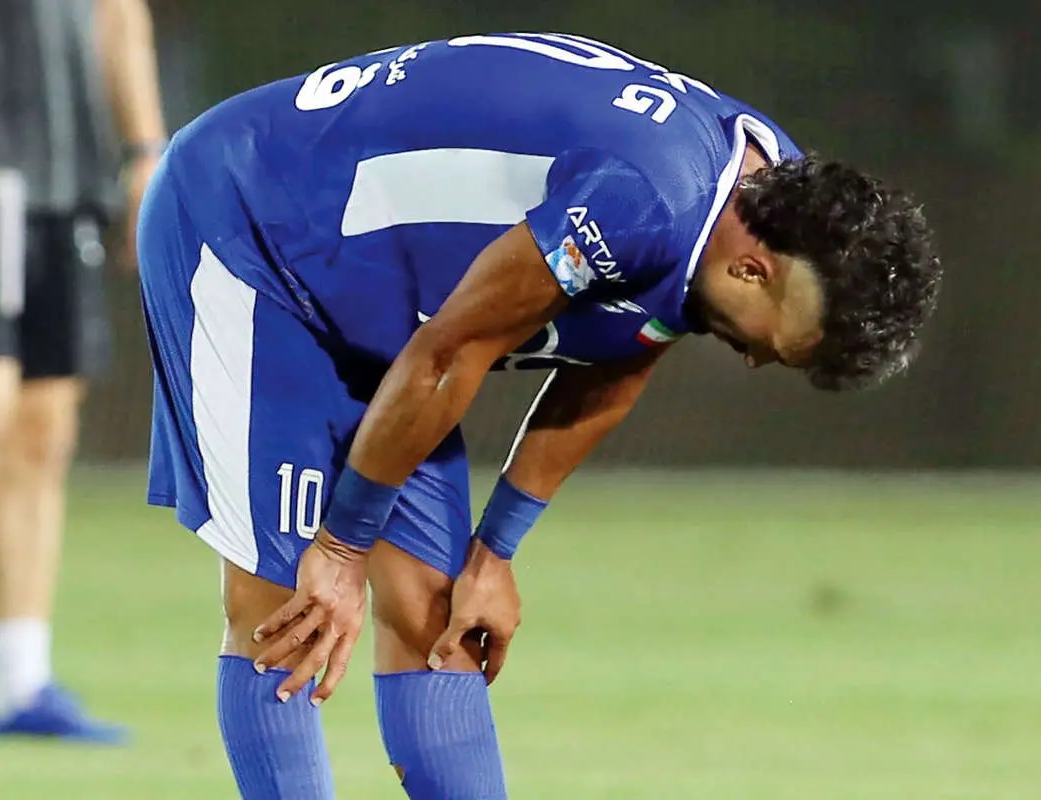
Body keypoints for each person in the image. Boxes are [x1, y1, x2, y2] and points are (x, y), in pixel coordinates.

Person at [138, 33, 941, 798]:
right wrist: (342, 547)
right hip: (252, 228)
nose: (759, 360)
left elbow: (629, 348)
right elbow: (450, 355)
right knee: (287, 611)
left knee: (436, 616)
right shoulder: (647, 199)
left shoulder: (771, 194)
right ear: (753, 269)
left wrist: (495, 550)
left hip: (382, 306)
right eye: (774, 344)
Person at [0, 0, 166, 742]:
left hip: (66, 184)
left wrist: (145, 151)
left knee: (40, 433)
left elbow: (119, 16)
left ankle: (19, 683)